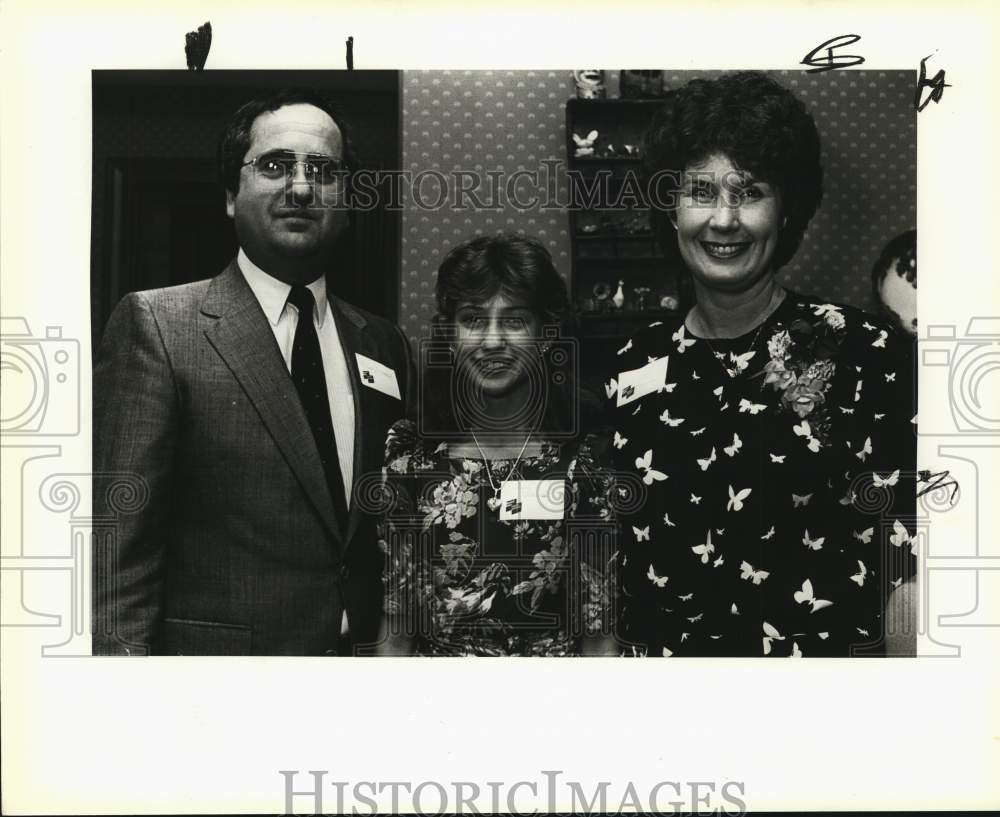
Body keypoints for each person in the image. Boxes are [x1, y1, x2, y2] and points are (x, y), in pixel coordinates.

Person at [92, 88, 413, 656]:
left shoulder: (383, 344)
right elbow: (121, 558)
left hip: (364, 677)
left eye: (323, 170)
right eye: (274, 165)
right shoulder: (160, 326)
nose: (301, 187)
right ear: (230, 195)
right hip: (219, 690)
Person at [607, 71, 917, 657]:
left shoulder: (860, 349)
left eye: (749, 192)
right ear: (670, 209)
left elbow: (903, 562)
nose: (723, 219)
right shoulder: (633, 363)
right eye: (700, 190)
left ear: (786, 209)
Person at [377, 234, 618, 656]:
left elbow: (599, 636)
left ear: (545, 336)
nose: (492, 341)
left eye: (514, 321)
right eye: (473, 319)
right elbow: (396, 629)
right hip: (436, 708)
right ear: (450, 337)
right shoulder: (409, 460)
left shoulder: (585, 463)